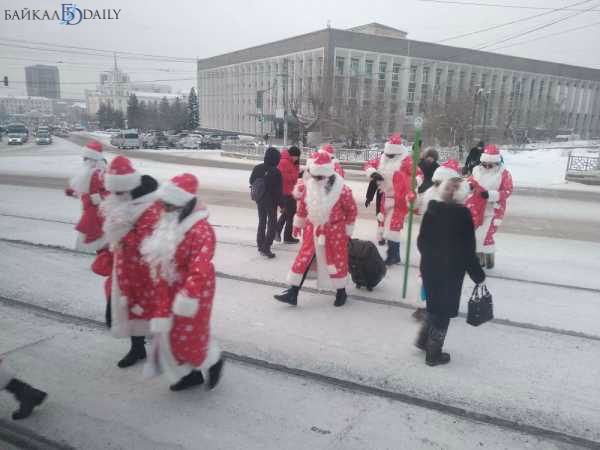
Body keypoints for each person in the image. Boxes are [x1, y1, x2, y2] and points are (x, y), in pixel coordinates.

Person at [141, 174, 224, 392]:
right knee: (172, 335)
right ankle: (191, 373)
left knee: (190, 334)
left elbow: (200, 267)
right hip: (170, 288)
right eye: (162, 204)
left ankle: (212, 361)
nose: (162, 209)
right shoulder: (170, 221)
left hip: (195, 291)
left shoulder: (201, 230)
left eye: (167, 205)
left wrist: (188, 294)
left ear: (181, 205)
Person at [96, 156, 162, 368]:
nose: (113, 196)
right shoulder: (121, 203)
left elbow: (147, 237)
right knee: (129, 310)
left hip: (145, 272)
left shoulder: (148, 205)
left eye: (118, 192)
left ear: (128, 188)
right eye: (112, 191)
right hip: (124, 270)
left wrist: (122, 237)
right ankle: (137, 349)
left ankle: (168, 353)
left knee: (150, 312)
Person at [416, 177, 485, 366]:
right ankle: (433, 354)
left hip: (430, 268)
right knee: (443, 312)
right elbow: (468, 251)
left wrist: (430, 259)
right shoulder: (463, 215)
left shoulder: (432, 209)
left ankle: (423, 340)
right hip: (450, 273)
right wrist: (478, 275)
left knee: (433, 306)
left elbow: (421, 242)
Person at [274, 152, 357, 307]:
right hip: (312, 230)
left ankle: (341, 292)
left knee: (336, 262)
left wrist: (347, 231)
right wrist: (298, 224)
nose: (315, 179)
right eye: (314, 176)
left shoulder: (342, 190)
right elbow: (303, 207)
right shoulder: (309, 186)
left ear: (327, 174)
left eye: (319, 177)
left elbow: (352, 211)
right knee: (304, 259)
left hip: (334, 233)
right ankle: (293, 293)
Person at [364, 134, 420, 266]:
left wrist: (412, 185)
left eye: (391, 155)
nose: (388, 157)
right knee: (385, 226)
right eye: (387, 154)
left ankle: (393, 255)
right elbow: (368, 164)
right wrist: (373, 173)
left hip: (400, 199)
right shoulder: (382, 158)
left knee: (393, 228)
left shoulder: (406, 161)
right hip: (385, 197)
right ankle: (394, 255)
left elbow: (418, 174)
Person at [465, 144, 513, 269]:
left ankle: (489, 259)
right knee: (474, 235)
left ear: (496, 163)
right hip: (476, 207)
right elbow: (471, 180)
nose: (486, 167)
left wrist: (491, 195)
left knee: (485, 236)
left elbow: (508, 191)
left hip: (492, 209)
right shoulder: (477, 170)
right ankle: (478, 260)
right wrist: (469, 185)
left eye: (489, 165)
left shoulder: (504, 174)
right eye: (484, 164)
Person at [65, 139, 108, 252]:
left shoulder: (99, 172)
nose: (83, 160)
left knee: (93, 238)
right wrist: (74, 192)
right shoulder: (90, 171)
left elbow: (107, 193)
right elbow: (85, 188)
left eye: (85, 158)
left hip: (96, 213)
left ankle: (93, 256)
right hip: (91, 210)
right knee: (94, 238)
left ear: (91, 158)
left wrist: (93, 198)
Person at [249, 147, 283, 258]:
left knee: (262, 222)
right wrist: (282, 205)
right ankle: (266, 247)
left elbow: (251, 181)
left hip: (259, 198)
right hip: (271, 201)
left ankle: (260, 244)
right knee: (272, 224)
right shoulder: (276, 172)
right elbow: (278, 191)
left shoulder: (257, 168)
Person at [275, 146, 301, 244]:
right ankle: (286, 236)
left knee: (287, 213)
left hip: (291, 191)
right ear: (292, 155)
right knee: (290, 214)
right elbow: (282, 176)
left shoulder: (292, 163)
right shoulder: (284, 162)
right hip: (285, 192)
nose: (297, 159)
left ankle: (278, 231)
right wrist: (296, 176)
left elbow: (293, 174)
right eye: (296, 157)